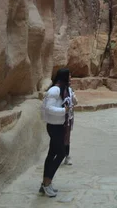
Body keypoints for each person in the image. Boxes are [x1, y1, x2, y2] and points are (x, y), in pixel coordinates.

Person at [39, 68, 71, 197]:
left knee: (52, 154)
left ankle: (45, 184)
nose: (71, 78)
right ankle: (47, 183)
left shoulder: (64, 90)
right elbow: (48, 108)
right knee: (61, 153)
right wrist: (64, 111)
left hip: (59, 126)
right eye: (69, 76)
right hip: (54, 126)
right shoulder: (54, 90)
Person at [63, 76, 77, 165]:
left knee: (67, 138)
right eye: (68, 79)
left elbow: (75, 102)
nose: (70, 81)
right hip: (60, 118)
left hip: (68, 118)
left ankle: (66, 156)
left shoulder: (70, 90)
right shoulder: (57, 90)